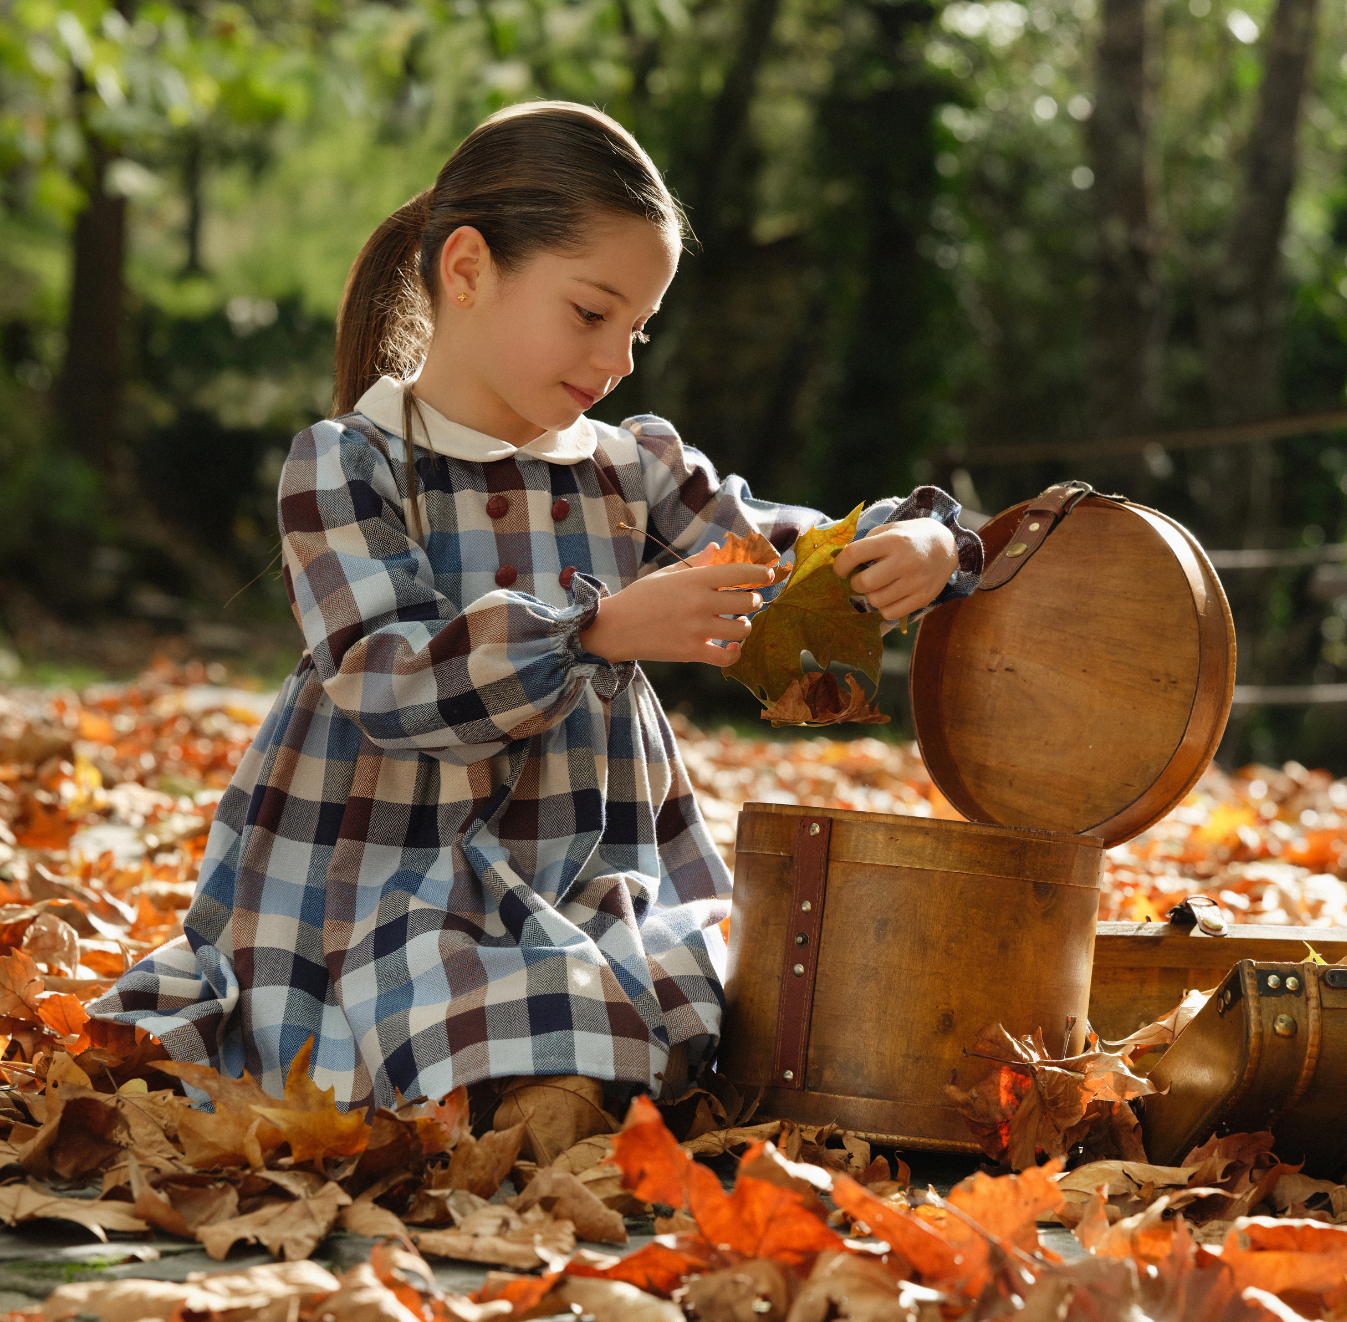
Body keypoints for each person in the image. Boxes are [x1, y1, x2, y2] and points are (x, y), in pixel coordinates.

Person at [89, 101, 983, 1122]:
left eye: (640, 329)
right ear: (466, 270)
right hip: (392, 864)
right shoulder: (350, 464)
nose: (622, 358)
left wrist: (920, 543)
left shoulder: (630, 467)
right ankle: (525, 1088)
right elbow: (386, 678)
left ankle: (555, 1080)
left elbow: (783, 554)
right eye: (593, 313)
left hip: (591, 864)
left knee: (715, 997)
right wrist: (592, 632)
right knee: (429, 995)